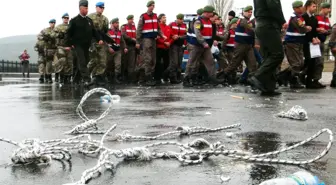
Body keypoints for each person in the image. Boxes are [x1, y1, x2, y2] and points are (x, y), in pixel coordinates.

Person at [250, 0, 286, 96]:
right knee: (277, 54)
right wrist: (282, 21)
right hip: (269, 25)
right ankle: (258, 76)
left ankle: (268, 87)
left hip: (262, 25)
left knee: (268, 56)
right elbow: (273, 6)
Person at [64, 0, 104, 86]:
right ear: (81, 8)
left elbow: (94, 31)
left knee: (85, 62)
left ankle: (76, 79)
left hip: (87, 45)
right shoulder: (74, 21)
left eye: (87, 8)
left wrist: (99, 39)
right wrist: (67, 45)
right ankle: (87, 80)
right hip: (77, 45)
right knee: (82, 61)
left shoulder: (89, 21)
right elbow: (68, 33)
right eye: (85, 8)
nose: (87, 10)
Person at [183, 5, 224, 87]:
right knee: (192, 62)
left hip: (205, 46)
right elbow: (198, 34)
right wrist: (204, 43)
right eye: (210, 13)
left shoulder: (209, 21)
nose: (212, 14)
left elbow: (211, 34)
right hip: (197, 45)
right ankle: (186, 79)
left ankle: (213, 78)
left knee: (210, 61)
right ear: (206, 13)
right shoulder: (198, 22)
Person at [223, 6, 257, 85]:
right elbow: (251, 29)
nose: (250, 13)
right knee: (234, 65)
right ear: (243, 12)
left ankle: (253, 82)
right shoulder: (242, 20)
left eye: (251, 12)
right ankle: (222, 77)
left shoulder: (249, 21)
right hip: (240, 46)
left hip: (248, 46)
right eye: (248, 12)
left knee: (253, 65)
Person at [281, 1, 310, 89]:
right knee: (296, 63)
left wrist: (305, 28)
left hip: (298, 42)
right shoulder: (295, 18)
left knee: (300, 63)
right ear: (295, 9)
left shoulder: (300, 18)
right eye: (300, 7)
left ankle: (282, 76)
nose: (302, 8)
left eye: (302, 6)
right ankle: (293, 80)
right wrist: (307, 28)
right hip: (292, 42)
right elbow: (301, 29)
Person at [136, 0, 165, 86]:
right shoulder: (143, 16)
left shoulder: (155, 16)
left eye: (153, 5)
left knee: (153, 59)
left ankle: (149, 77)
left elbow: (158, 27)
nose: (153, 7)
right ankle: (147, 78)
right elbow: (139, 29)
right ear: (148, 6)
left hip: (153, 39)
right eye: (151, 5)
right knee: (147, 59)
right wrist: (138, 41)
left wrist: (162, 35)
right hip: (146, 39)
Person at [301, 0, 324, 89]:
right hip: (305, 42)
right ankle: (299, 76)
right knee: (307, 61)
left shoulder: (314, 19)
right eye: (313, 6)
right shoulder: (303, 17)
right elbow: (303, 30)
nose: (315, 8)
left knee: (313, 62)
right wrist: (312, 38)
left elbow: (314, 31)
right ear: (308, 6)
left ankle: (309, 81)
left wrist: (316, 38)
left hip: (313, 43)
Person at [87, 2, 110, 85]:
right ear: (96, 7)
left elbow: (105, 31)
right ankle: (85, 76)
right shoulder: (90, 17)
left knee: (103, 61)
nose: (102, 9)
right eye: (100, 7)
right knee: (93, 60)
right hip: (92, 41)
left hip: (101, 42)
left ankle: (97, 77)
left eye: (103, 8)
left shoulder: (105, 19)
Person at [51, 13, 73, 84]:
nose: (66, 19)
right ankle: (61, 77)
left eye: (67, 18)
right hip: (61, 47)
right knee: (62, 61)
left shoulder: (71, 26)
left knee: (69, 63)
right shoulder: (58, 27)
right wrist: (59, 34)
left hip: (69, 47)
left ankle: (67, 78)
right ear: (62, 18)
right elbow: (52, 34)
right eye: (65, 18)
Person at [106, 18, 127, 84]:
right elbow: (105, 41)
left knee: (118, 64)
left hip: (117, 51)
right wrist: (108, 48)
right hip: (109, 50)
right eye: (116, 23)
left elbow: (122, 41)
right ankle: (108, 78)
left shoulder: (119, 32)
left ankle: (116, 78)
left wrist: (125, 48)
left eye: (118, 23)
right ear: (112, 24)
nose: (117, 24)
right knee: (108, 64)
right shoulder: (108, 32)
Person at [315, 2, 332, 87]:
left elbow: (329, 29)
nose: (329, 10)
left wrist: (327, 31)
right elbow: (312, 28)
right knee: (316, 61)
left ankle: (316, 79)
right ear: (323, 8)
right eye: (328, 8)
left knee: (320, 62)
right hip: (314, 42)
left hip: (322, 42)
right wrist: (318, 29)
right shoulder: (316, 17)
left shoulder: (327, 19)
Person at [167, 13, 187, 84]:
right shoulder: (171, 24)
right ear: (177, 19)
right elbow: (167, 32)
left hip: (181, 46)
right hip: (173, 45)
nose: (182, 21)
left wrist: (184, 43)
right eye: (180, 19)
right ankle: (172, 78)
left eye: (182, 19)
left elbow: (186, 35)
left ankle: (178, 77)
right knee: (174, 62)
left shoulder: (184, 25)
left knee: (179, 62)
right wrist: (173, 36)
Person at [38, 19, 57, 84]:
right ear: (49, 23)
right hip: (44, 49)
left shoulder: (56, 30)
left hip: (52, 49)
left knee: (49, 64)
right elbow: (39, 36)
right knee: (42, 64)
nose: (53, 24)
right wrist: (44, 38)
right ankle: (41, 77)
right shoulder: (45, 30)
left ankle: (49, 76)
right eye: (51, 22)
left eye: (54, 23)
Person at [155, 13, 172, 84]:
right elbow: (156, 37)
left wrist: (169, 42)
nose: (165, 19)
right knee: (158, 63)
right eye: (163, 17)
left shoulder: (168, 27)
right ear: (160, 19)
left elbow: (172, 37)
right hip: (159, 48)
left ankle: (166, 78)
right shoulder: (157, 27)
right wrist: (164, 42)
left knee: (167, 63)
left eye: (165, 17)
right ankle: (157, 78)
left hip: (167, 48)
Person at [121, 15, 137, 83]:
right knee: (125, 62)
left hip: (133, 46)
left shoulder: (134, 27)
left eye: (132, 19)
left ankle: (130, 78)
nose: (132, 20)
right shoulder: (124, 27)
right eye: (131, 19)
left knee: (132, 62)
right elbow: (124, 35)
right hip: (126, 46)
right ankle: (124, 77)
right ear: (128, 20)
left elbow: (136, 35)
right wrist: (132, 39)